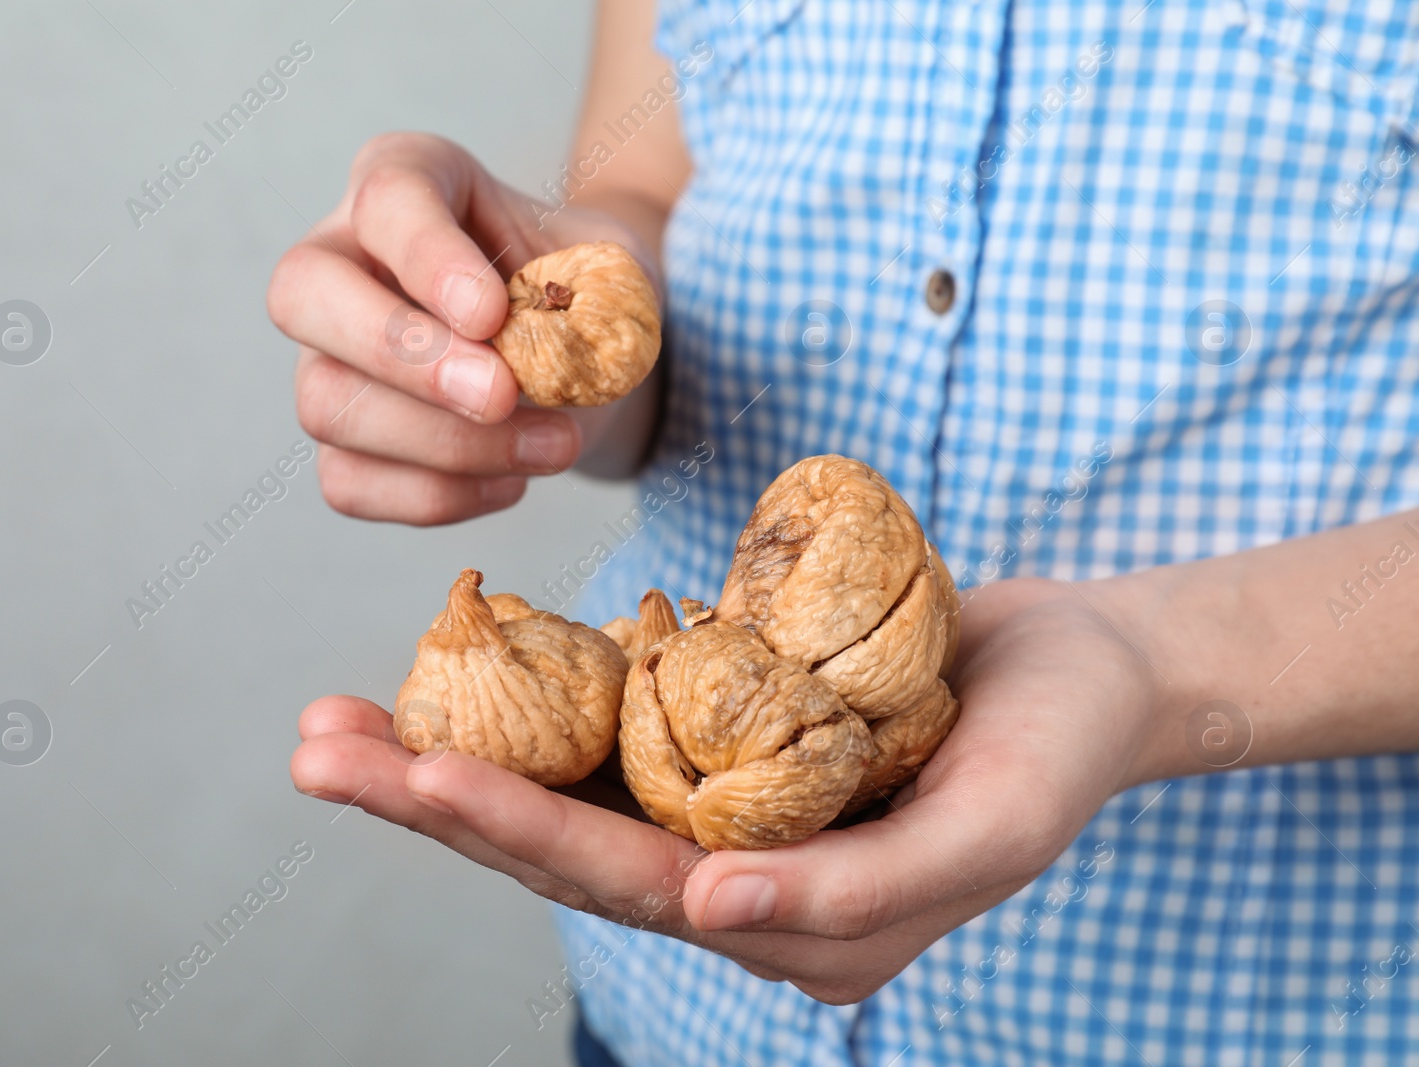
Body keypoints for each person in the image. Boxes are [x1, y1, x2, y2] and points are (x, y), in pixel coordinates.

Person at [272, 0, 1419, 1062]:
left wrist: (1152, 666)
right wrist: (517, 330)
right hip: (676, 1016)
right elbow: (649, 200)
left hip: (1211, 1003)